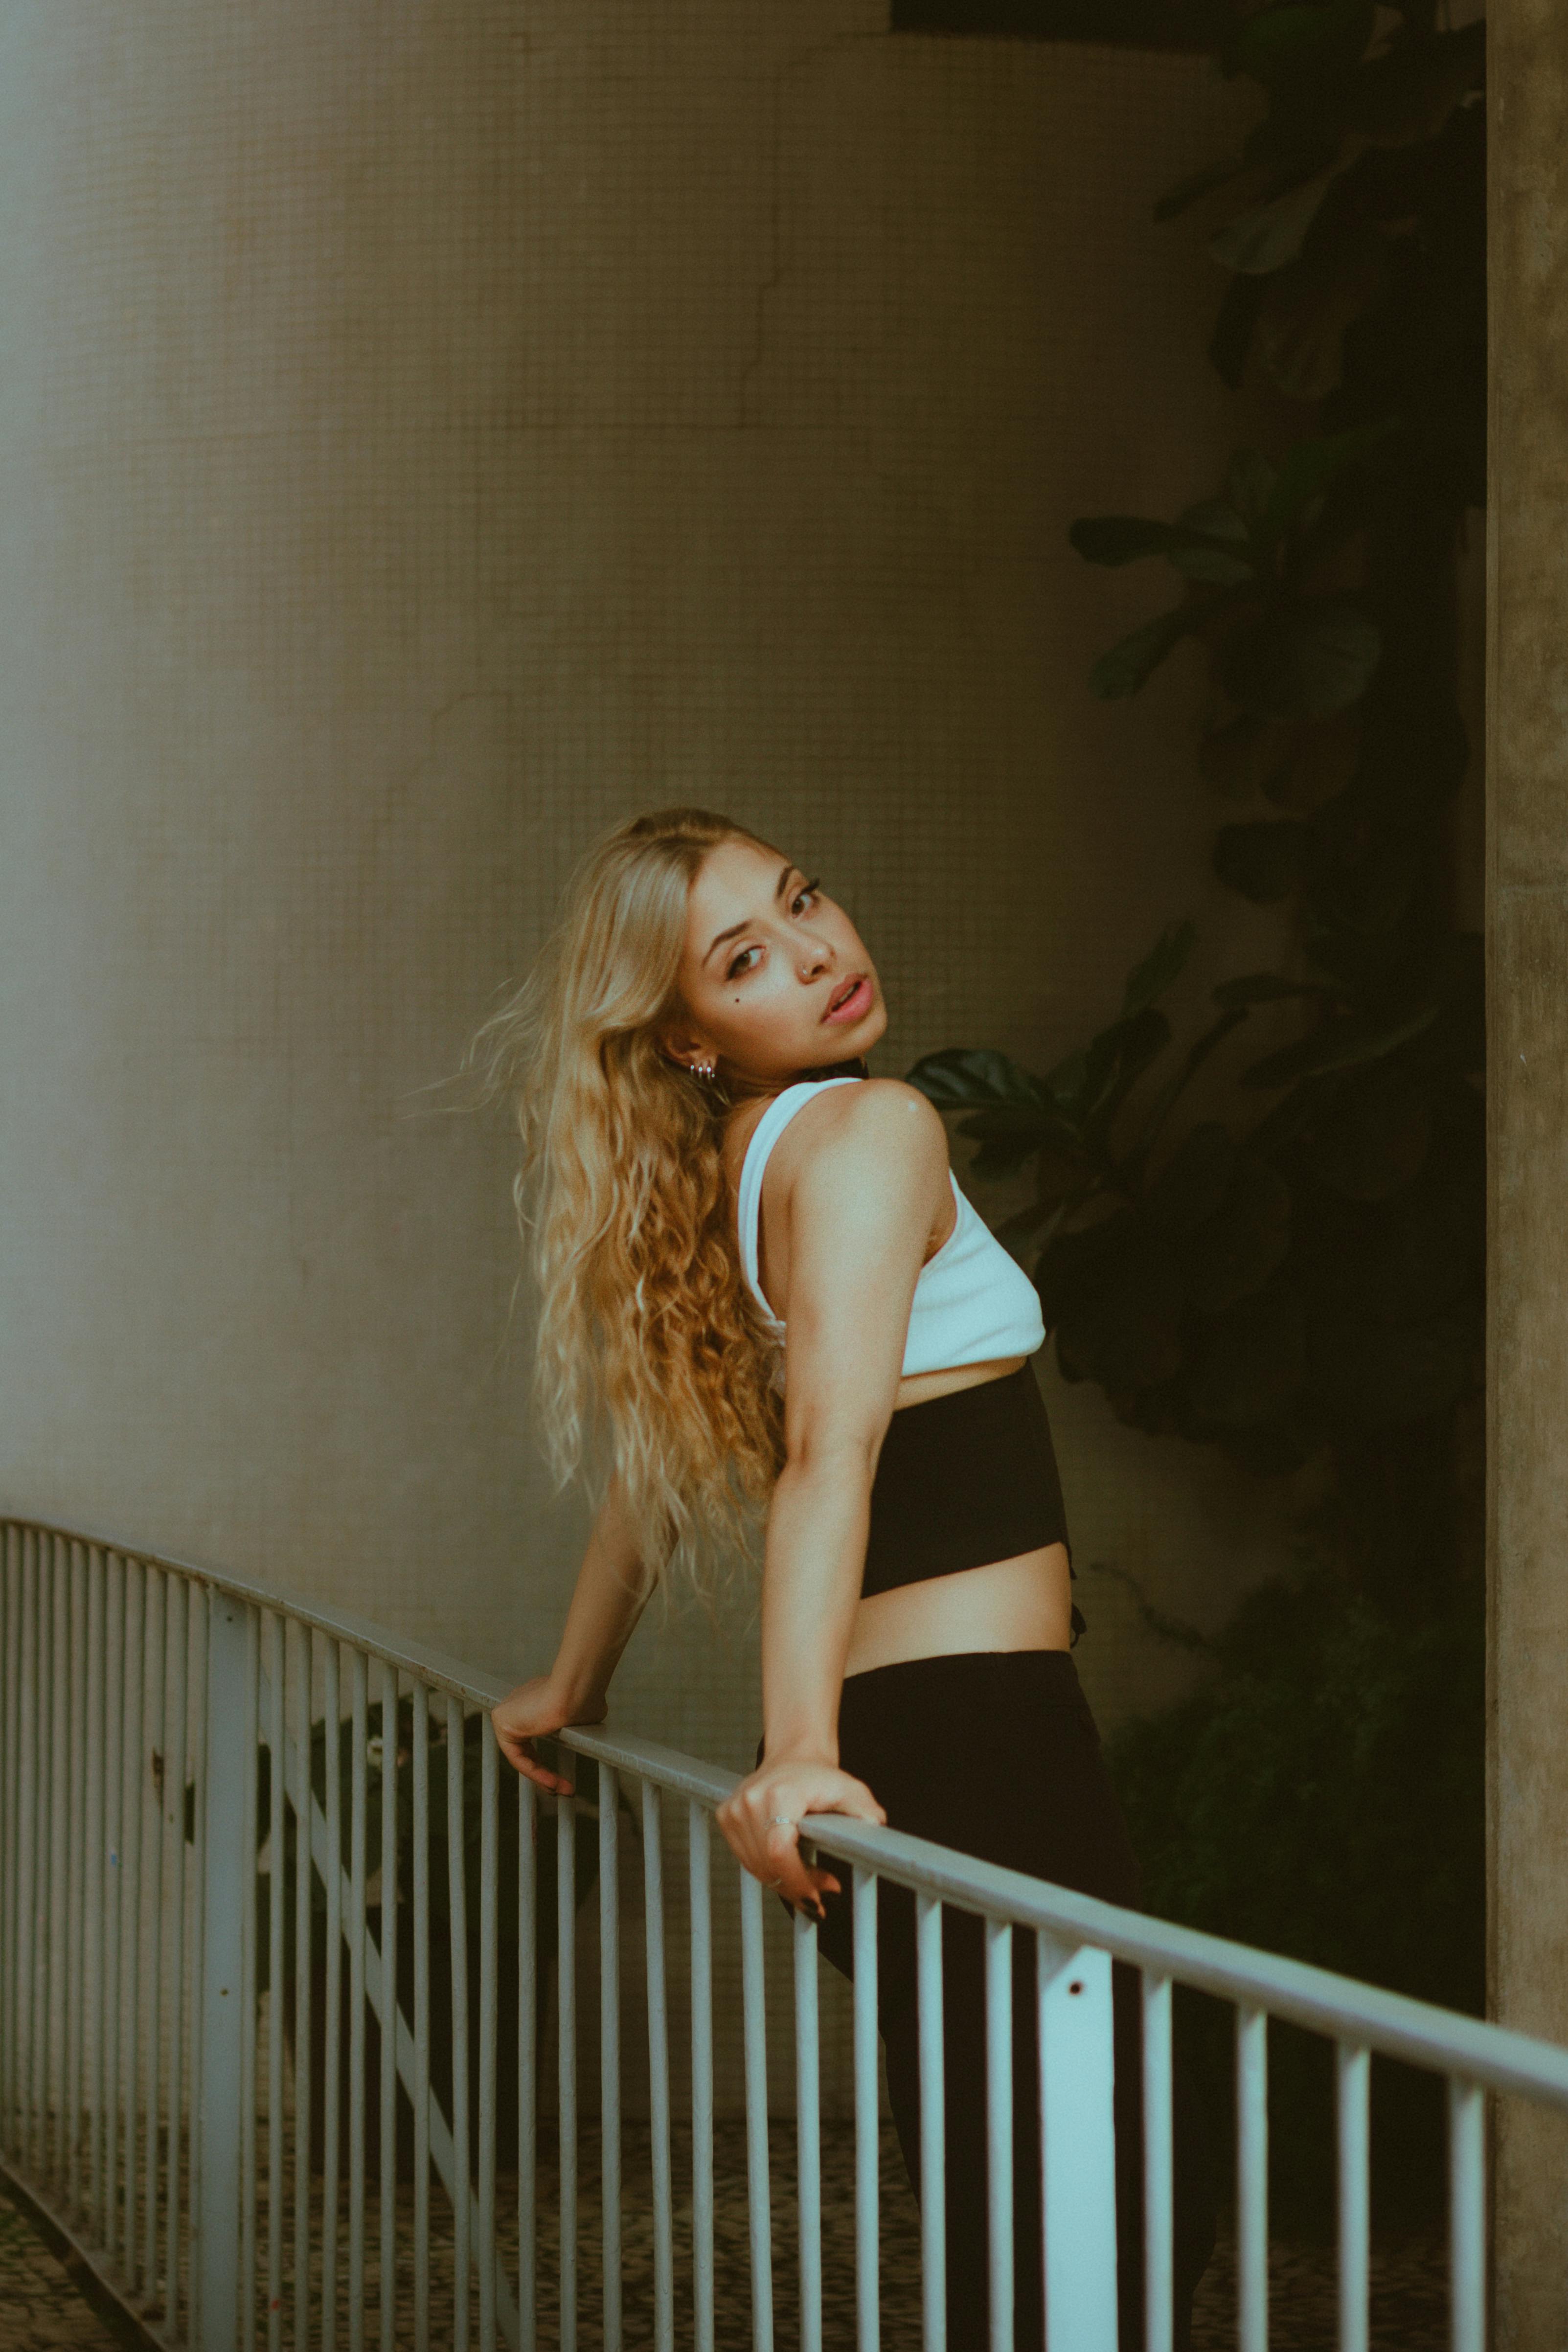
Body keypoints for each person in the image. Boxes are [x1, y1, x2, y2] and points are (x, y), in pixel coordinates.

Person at [479, 807, 1212, 2348]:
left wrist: (574, 1683)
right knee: (1119, 2207)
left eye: (803, 900)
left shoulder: (743, 1170)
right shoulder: (873, 1133)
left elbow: (648, 1483)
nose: (818, 955)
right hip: (977, 1751)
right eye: (747, 958)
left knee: (1024, 2201)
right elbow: (828, 1455)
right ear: (684, 1036)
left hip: (921, 1750)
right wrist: (797, 1747)